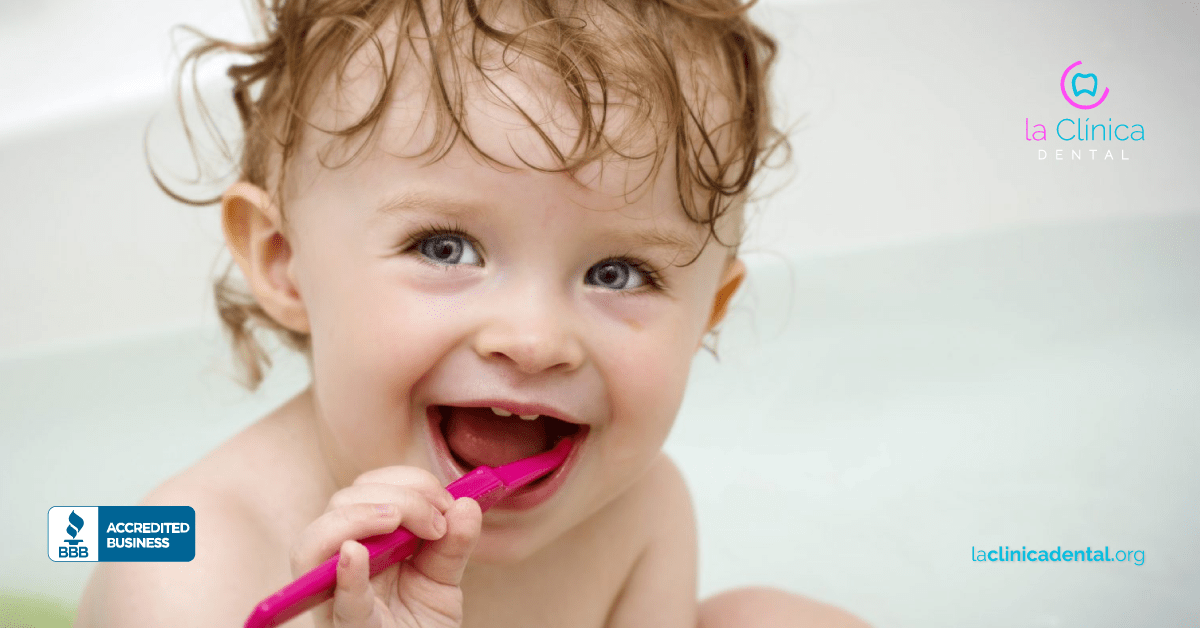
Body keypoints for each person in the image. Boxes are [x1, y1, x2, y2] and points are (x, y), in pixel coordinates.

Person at [77, 1, 869, 626]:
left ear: (708, 315)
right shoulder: (176, 554)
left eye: (618, 272)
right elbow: (103, 540)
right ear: (285, 261)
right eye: (445, 248)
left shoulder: (642, 510)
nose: (535, 341)